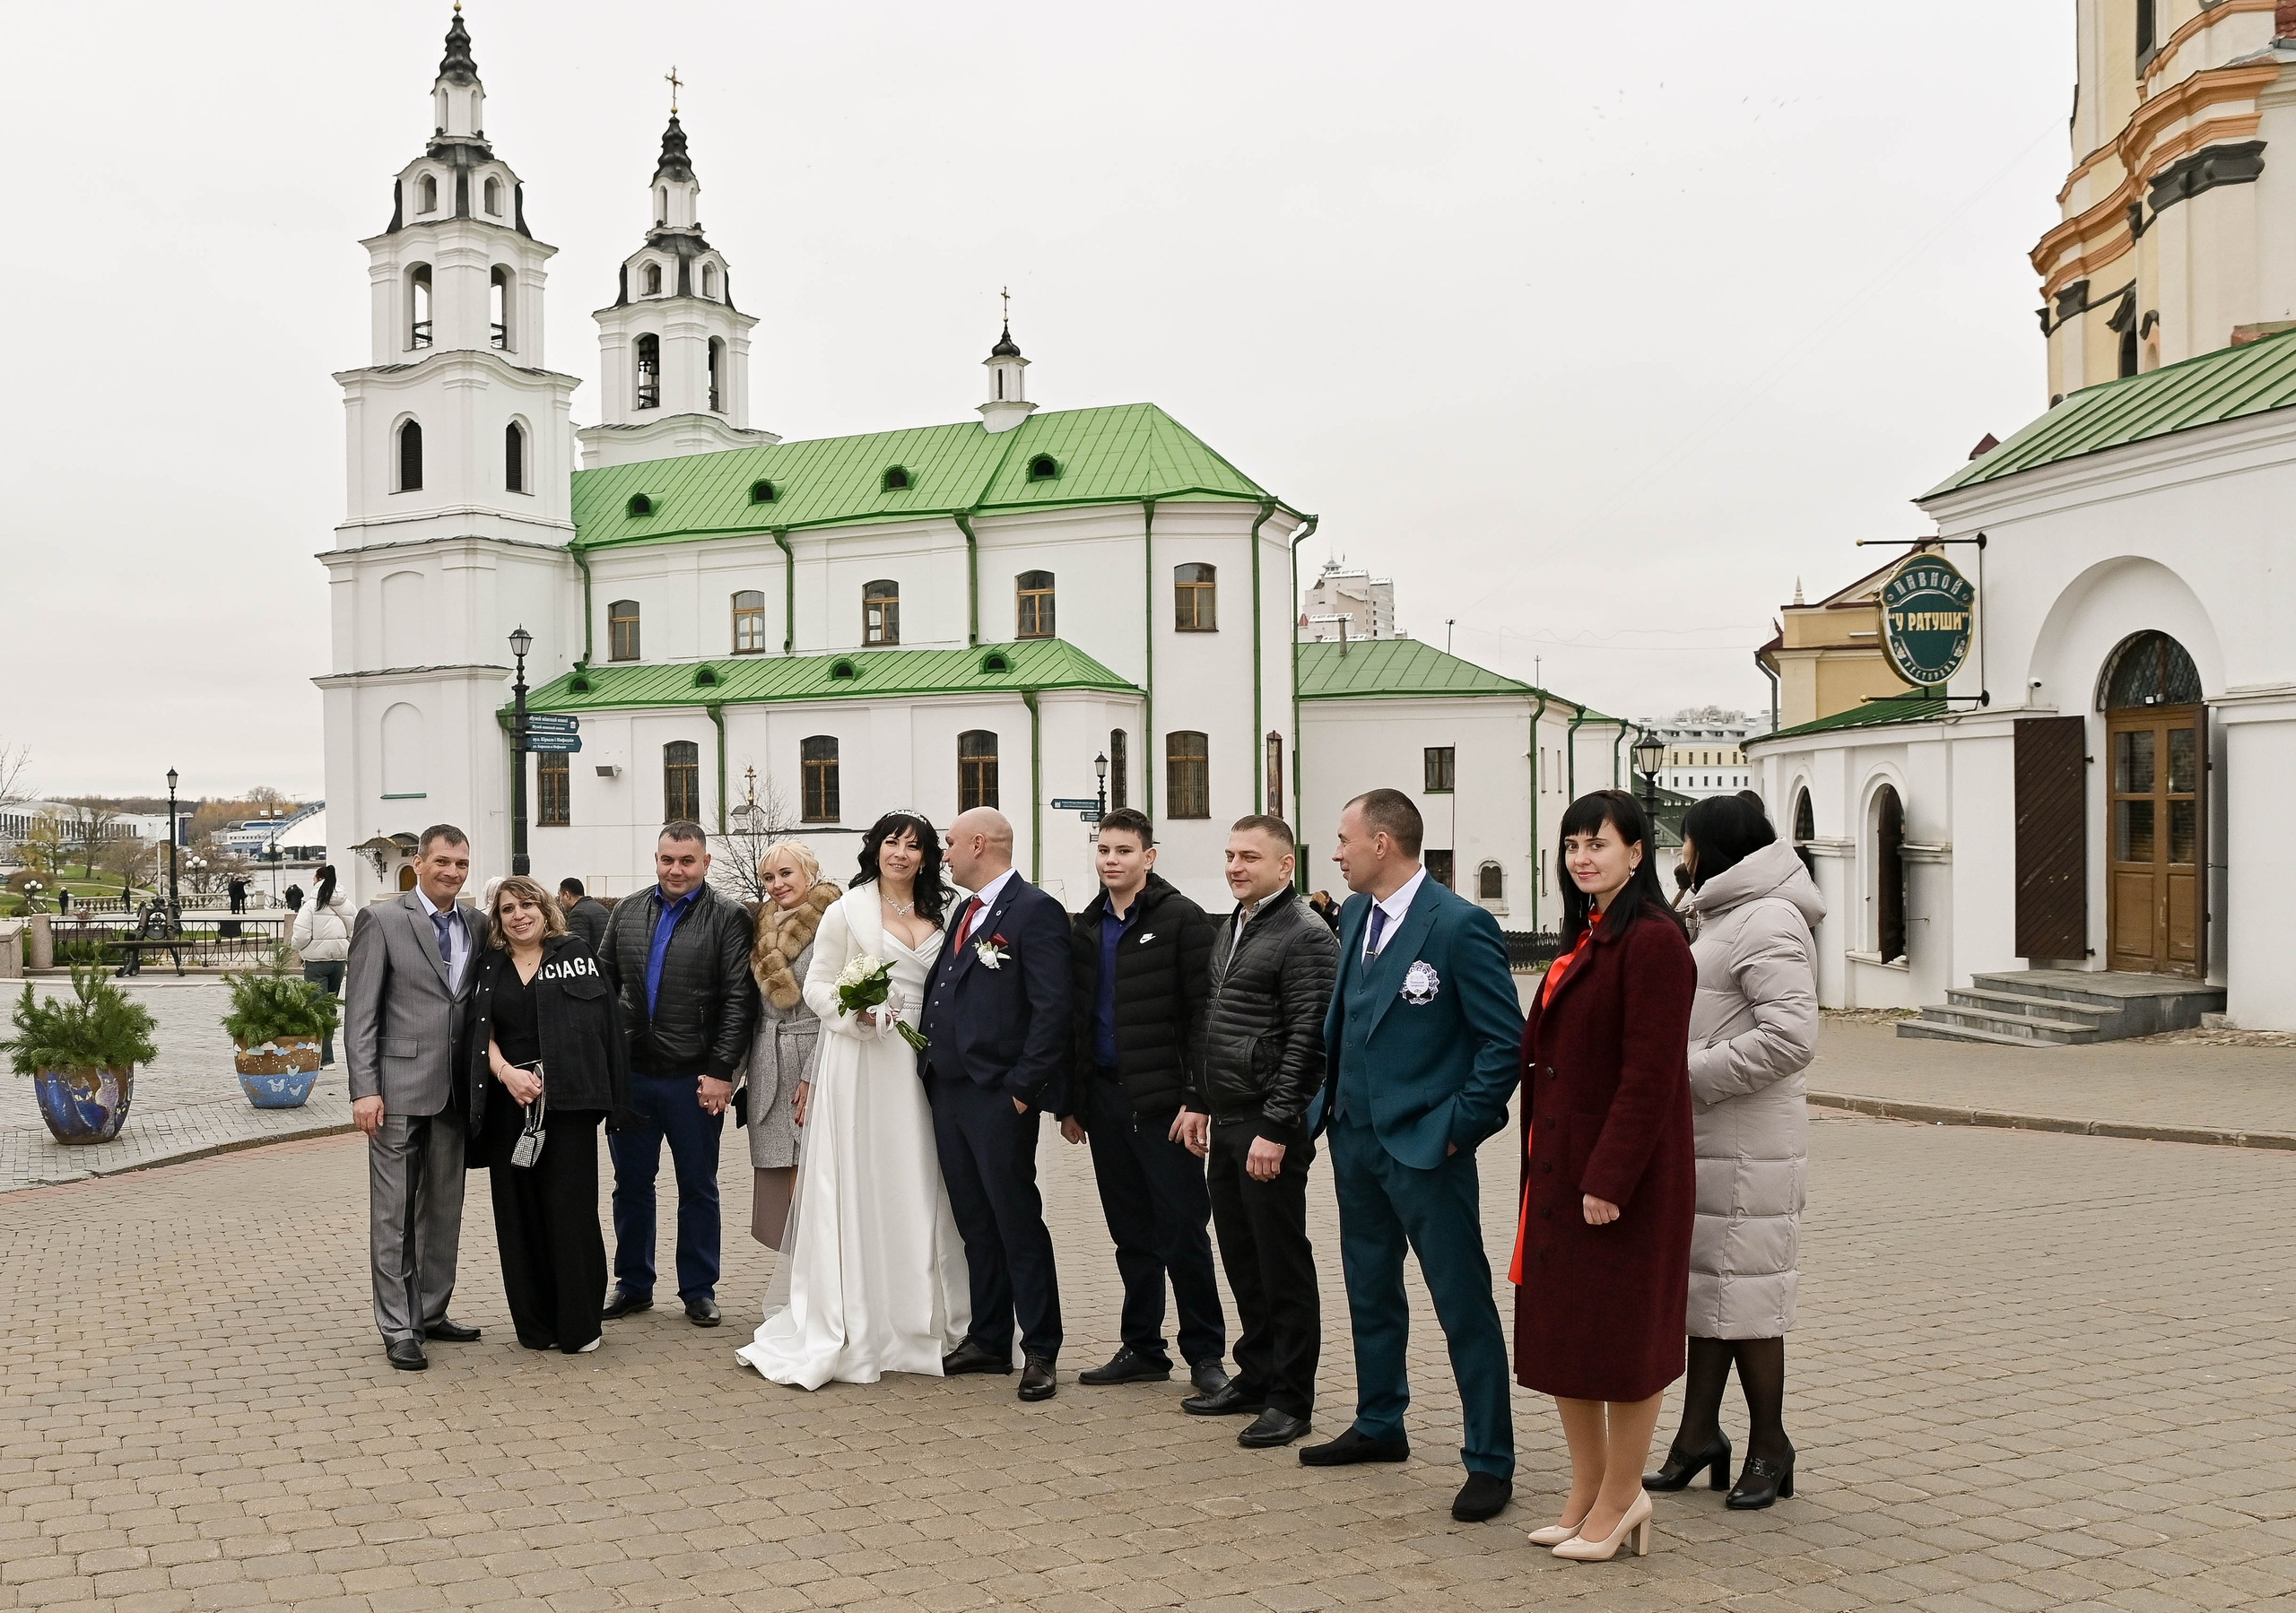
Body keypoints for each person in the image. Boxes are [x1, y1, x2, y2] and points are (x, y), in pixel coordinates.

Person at [1305, 789, 1524, 1522]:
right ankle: (1379, 1420)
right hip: (1355, 1138)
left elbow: (1503, 1045)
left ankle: (1489, 1457)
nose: (1335, 852)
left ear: (1382, 843)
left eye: (1344, 839)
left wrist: (1456, 1128)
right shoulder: (1356, 914)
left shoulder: (1459, 925)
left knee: (1461, 1301)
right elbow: (1348, 1021)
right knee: (1369, 1288)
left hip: (1428, 1148)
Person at [1514, 789, 1696, 1562]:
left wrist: (1610, 1178)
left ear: (1636, 852)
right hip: (1560, 1172)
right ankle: (1586, 1490)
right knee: (1567, 1335)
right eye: (1572, 845)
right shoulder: (1587, 932)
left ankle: (1623, 1496)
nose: (1582, 857)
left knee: (1624, 1341)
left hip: (1623, 1183)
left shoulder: (1654, 941)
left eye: (1598, 843)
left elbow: (1651, 1075)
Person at [735, 814, 971, 1386]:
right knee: (864, 1176)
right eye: (892, 842)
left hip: (927, 1058)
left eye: (914, 845)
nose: (901, 853)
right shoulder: (847, 910)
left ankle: (928, 1313)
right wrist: (855, 1013)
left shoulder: (948, 910)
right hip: (864, 1057)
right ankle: (861, 1315)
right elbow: (818, 985)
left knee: (923, 1176)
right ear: (876, 849)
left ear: (926, 856)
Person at [1644, 793, 1820, 1512]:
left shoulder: (1767, 918)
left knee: (1748, 1299)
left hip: (1750, 1144)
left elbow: (1791, 1038)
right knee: (1712, 1291)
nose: (1680, 854)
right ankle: (1698, 1435)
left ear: (1712, 846)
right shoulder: (1722, 912)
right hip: (1714, 1138)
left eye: (1686, 842)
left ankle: (1771, 1444)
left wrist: (1684, 1074)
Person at [1056, 808, 1228, 1399]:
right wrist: (1072, 1101)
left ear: (1148, 857)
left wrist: (1197, 1097)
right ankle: (1143, 1348)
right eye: (1104, 849)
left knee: (1183, 1231)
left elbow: (1207, 1014)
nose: (1111, 860)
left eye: (1124, 850)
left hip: (1166, 1107)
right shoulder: (1087, 926)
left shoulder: (1182, 920)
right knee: (1131, 1233)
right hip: (1104, 1101)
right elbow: (1077, 1020)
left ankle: (1206, 1354)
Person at [1182, 814, 1336, 1450]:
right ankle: (1256, 1372)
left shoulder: (1305, 933)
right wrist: (1198, 1097)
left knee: (1280, 1261)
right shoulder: (1236, 922)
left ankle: (1291, 1397)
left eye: (1249, 856)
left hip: (1267, 1123)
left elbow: (1309, 1040)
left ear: (1285, 865)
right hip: (1227, 1115)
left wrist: (1277, 1125)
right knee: (1242, 1255)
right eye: (1230, 855)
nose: (1235, 866)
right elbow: (1212, 1018)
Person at [918, 808, 1074, 1402]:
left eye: (950, 843)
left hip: (997, 1094)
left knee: (1014, 1219)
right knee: (975, 1220)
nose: (945, 854)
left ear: (979, 844)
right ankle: (988, 1337)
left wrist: (1021, 1091)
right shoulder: (966, 911)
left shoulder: (1035, 911)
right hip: (948, 1089)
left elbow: (1052, 1009)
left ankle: (1041, 1346)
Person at [596, 821, 759, 1328]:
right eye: (668, 859)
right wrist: (605, 1064)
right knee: (630, 1185)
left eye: (687, 861)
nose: (676, 870)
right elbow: (603, 985)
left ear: (706, 863)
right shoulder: (626, 911)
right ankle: (633, 1284)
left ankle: (698, 1289)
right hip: (633, 1078)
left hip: (694, 1080)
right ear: (657, 859)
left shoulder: (728, 916)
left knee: (698, 1186)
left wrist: (721, 1071)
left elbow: (739, 999)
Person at [461, 875, 630, 1354]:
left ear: (545, 908)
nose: (519, 916)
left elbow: (606, 1027)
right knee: (519, 1214)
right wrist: (506, 1074)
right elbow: (478, 1031)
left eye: (527, 905)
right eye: (507, 909)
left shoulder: (575, 954)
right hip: (509, 1103)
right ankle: (535, 1326)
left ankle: (579, 1325)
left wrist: (615, 1100)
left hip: (568, 1105)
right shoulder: (490, 965)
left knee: (571, 1211)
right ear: (498, 918)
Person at [342, 824, 485, 1371]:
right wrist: (365, 1089)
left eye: (461, 863)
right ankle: (398, 1327)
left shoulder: (476, 923)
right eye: (443, 861)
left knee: (444, 1210)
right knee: (394, 1215)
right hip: (396, 1090)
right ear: (419, 862)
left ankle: (429, 1310)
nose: (453, 872)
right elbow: (361, 1013)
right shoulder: (381, 920)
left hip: (455, 1091)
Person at [737, 842, 839, 1250]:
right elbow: (749, 1010)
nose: (777, 884)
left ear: (810, 874)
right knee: (781, 1186)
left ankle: (820, 1275)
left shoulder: (836, 921)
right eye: (768, 877)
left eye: (786, 873)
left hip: (817, 1056)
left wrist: (813, 1074)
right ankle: (796, 1274)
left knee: (816, 1176)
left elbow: (840, 1006)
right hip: (769, 1061)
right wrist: (730, 1076)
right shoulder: (760, 927)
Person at [293, 865, 354, 1066]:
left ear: (318, 879)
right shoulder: (347, 904)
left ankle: (323, 1057)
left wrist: (298, 948)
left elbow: (301, 935)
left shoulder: (312, 905)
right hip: (338, 962)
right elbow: (356, 930)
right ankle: (326, 1055)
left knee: (316, 1008)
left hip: (316, 962)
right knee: (329, 1007)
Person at [560, 878, 610, 953]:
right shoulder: (602, 909)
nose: (560, 901)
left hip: (592, 959)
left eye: (560, 896)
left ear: (567, 895)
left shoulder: (577, 913)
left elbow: (579, 947)